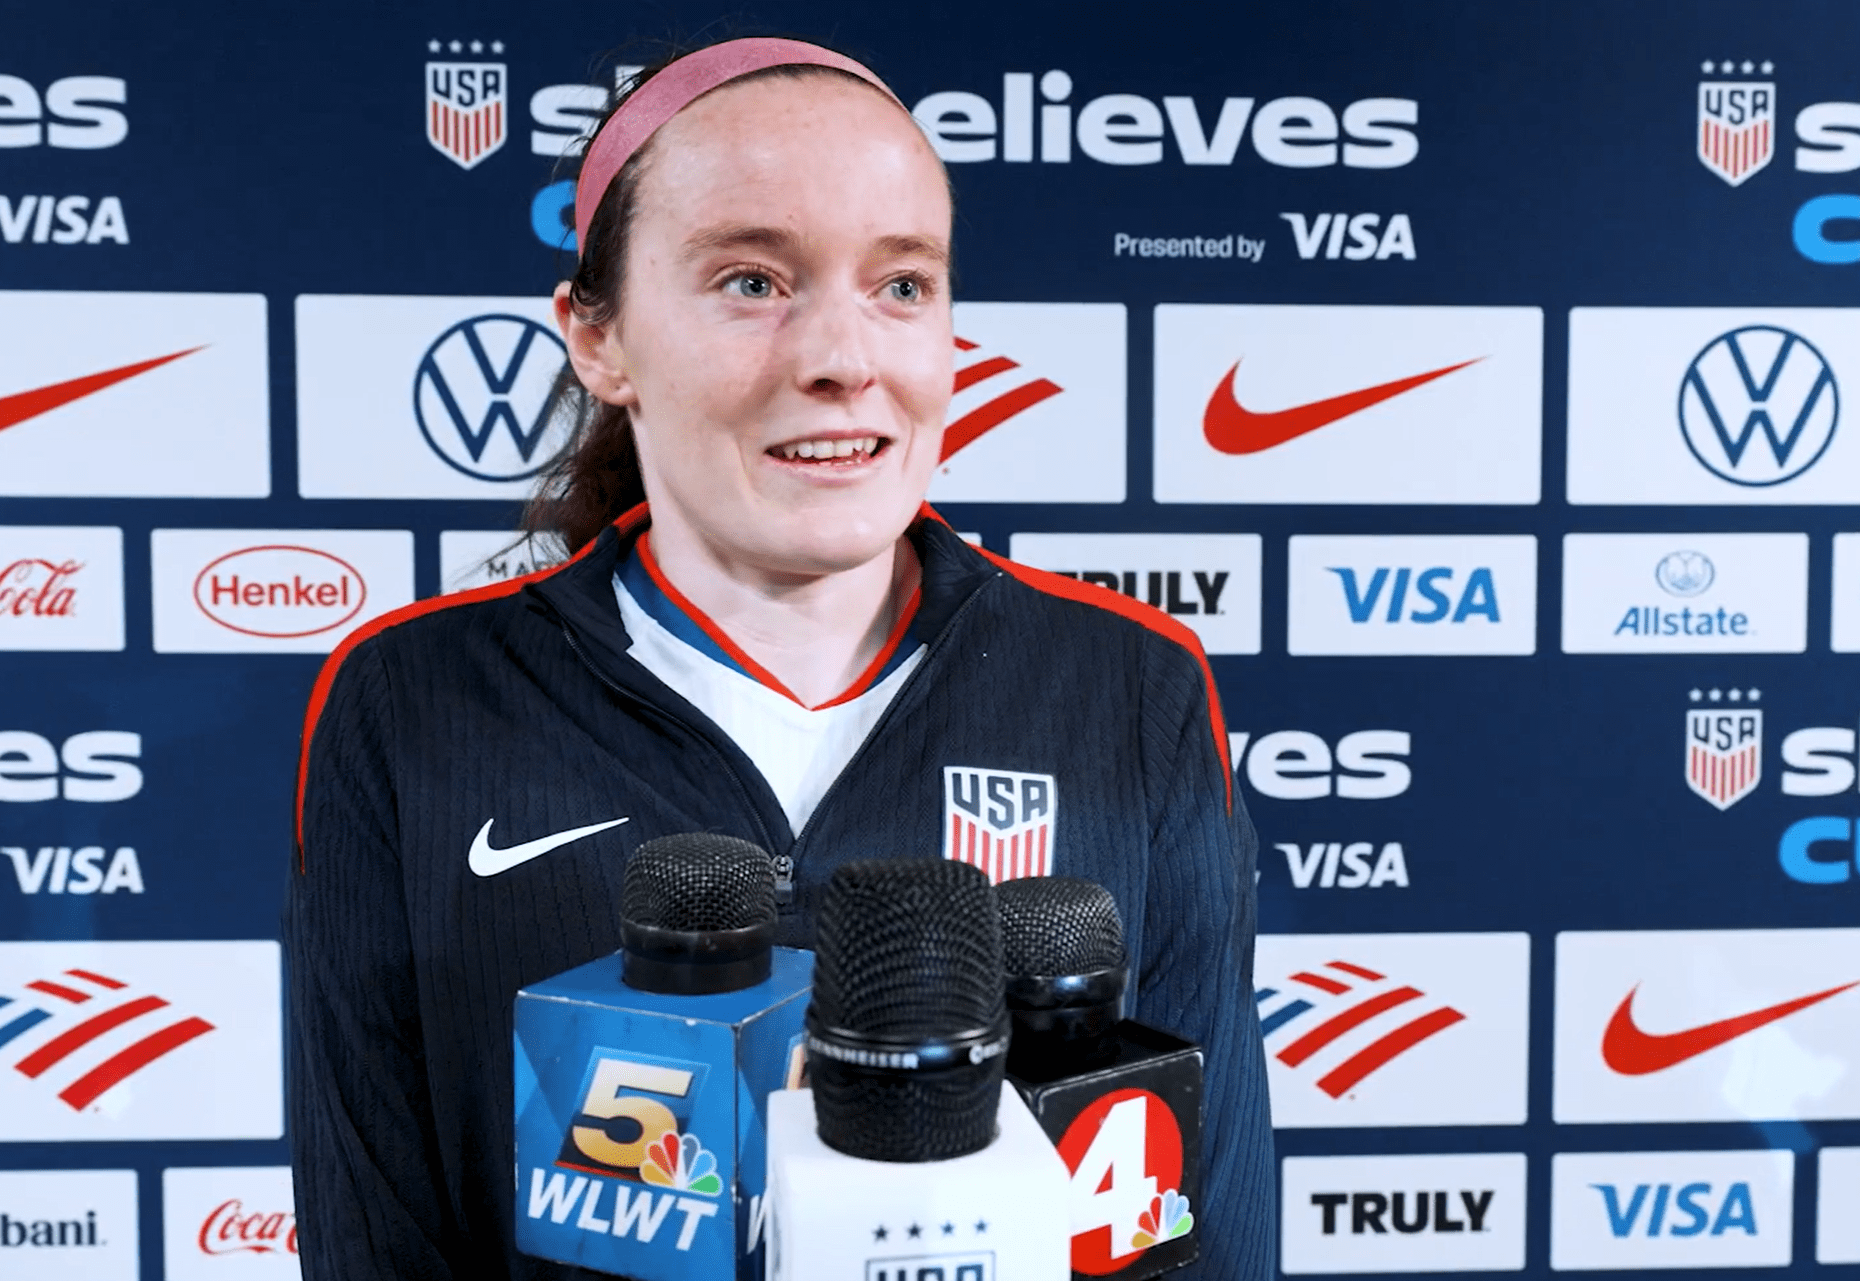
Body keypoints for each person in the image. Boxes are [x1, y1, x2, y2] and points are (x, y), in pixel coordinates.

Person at [287, 35, 1271, 1280]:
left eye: (902, 286)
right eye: (752, 281)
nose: (843, 359)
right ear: (600, 339)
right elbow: (379, 1232)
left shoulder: (1134, 684)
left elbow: (1213, 1230)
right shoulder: (409, 699)